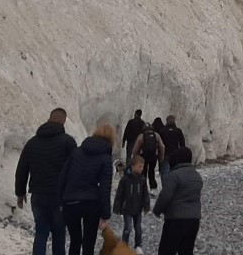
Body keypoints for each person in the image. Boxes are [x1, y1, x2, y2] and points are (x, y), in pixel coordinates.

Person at [16, 108, 78, 255]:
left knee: (41, 232)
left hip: (38, 195)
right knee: (59, 232)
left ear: (49, 118)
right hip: (59, 197)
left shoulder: (32, 143)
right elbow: (75, 169)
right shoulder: (68, 142)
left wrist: (20, 193)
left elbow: (22, 169)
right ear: (63, 121)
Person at [57, 122, 115, 255]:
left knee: (75, 240)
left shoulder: (76, 151)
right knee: (89, 243)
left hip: (70, 201)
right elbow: (105, 188)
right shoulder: (106, 158)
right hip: (91, 203)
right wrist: (105, 214)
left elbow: (63, 177)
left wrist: (61, 200)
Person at [154, 147, 202, 255]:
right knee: (186, 251)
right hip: (194, 220)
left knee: (166, 251)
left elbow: (165, 196)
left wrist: (157, 210)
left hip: (176, 219)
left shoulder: (174, 176)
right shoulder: (197, 176)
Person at [113, 156, 151, 253]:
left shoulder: (142, 179)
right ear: (133, 166)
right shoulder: (125, 180)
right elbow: (119, 194)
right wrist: (117, 207)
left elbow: (145, 194)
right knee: (128, 228)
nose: (141, 169)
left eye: (142, 167)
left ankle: (138, 245)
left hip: (138, 208)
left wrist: (146, 206)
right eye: (139, 166)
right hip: (127, 208)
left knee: (138, 228)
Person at [133, 125, 165, 190]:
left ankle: (142, 187)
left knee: (143, 171)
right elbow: (162, 146)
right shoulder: (156, 135)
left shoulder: (141, 136)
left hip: (143, 156)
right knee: (151, 171)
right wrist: (161, 156)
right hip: (153, 156)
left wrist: (135, 157)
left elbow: (135, 149)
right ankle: (153, 187)